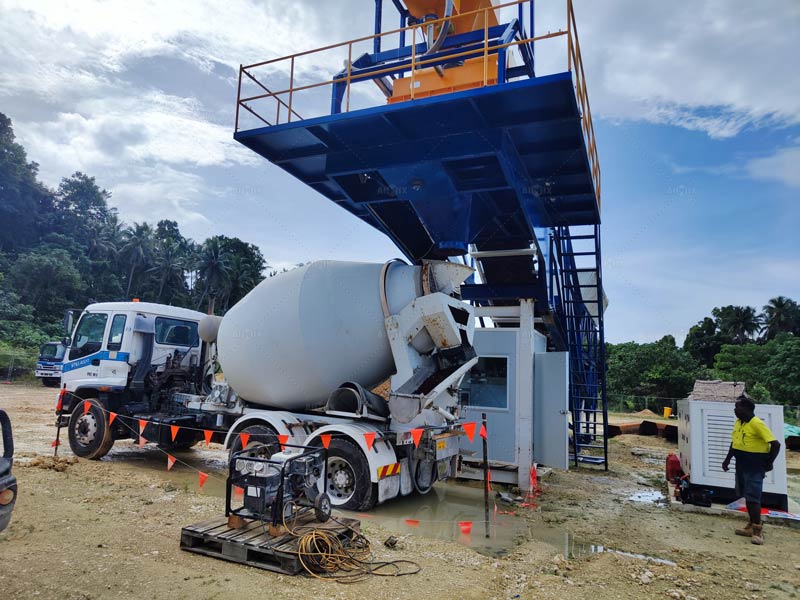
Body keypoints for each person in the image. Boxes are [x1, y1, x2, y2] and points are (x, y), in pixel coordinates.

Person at [721, 396, 781, 545]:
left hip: (754, 467)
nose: (735, 410)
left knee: (753, 497)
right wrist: (727, 459)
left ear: (746, 409)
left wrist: (769, 463)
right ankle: (750, 525)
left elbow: (775, 444)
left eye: (737, 407)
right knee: (746, 495)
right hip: (741, 464)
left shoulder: (757, 424)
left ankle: (757, 530)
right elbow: (734, 442)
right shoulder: (739, 423)